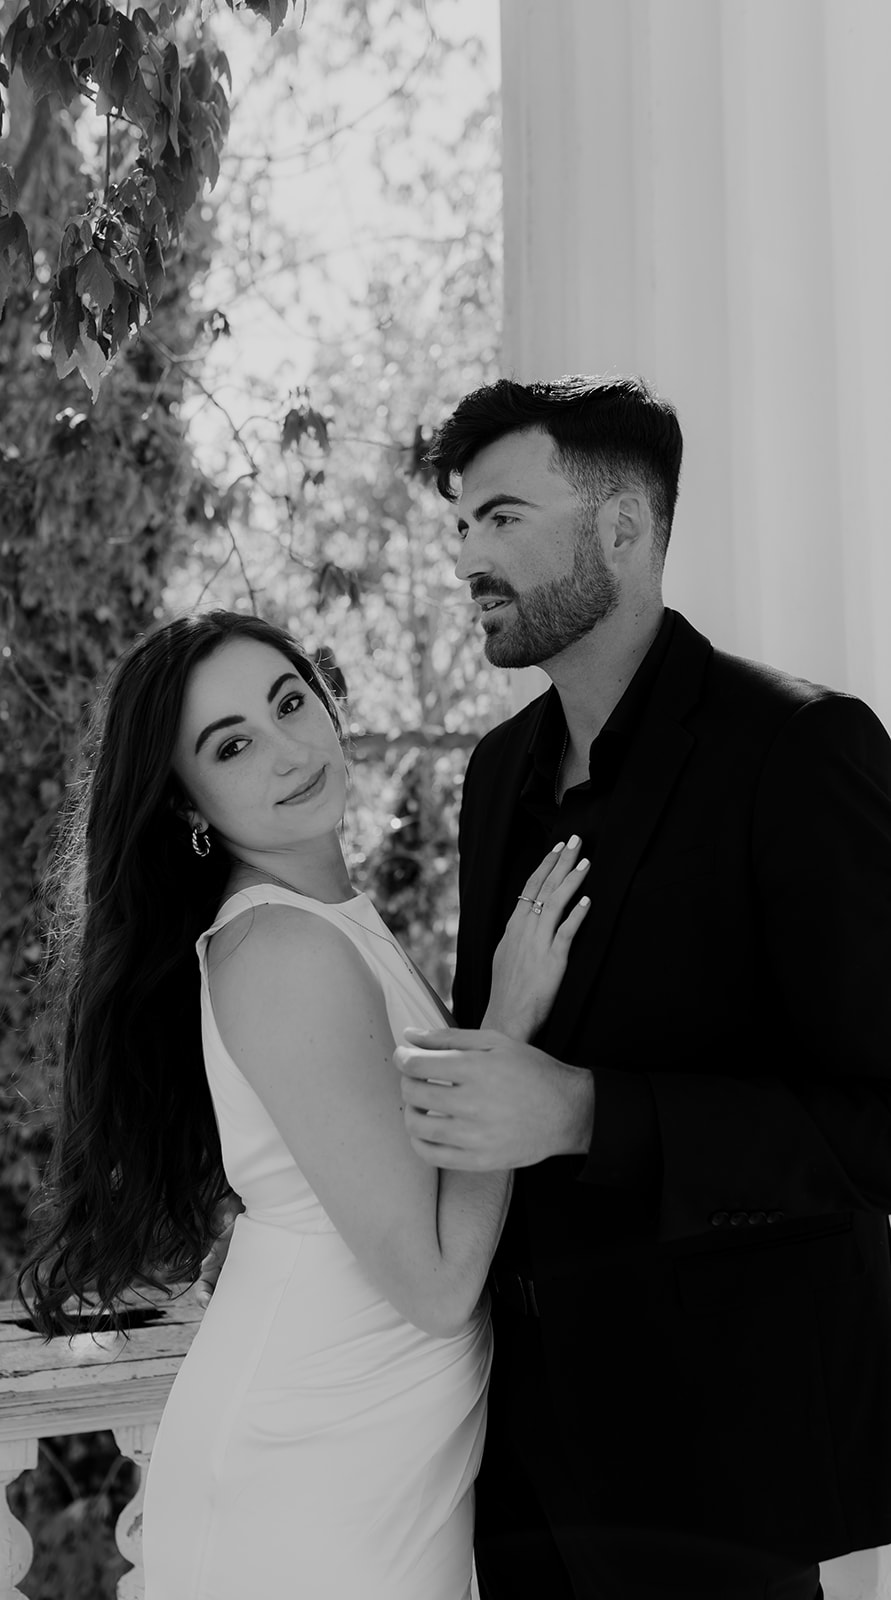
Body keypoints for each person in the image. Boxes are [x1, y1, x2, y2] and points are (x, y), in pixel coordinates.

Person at [394, 374, 891, 1600]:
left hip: (716, 1473)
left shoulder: (800, 749)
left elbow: (878, 1125)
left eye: (501, 516)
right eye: (460, 524)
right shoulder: (494, 772)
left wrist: (584, 1112)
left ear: (621, 530)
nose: (467, 554)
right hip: (513, 1468)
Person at [20, 609, 593, 1600]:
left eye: (290, 702)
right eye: (232, 744)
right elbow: (435, 1282)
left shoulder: (324, 923)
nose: (286, 750)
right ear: (185, 803)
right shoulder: (281, 949)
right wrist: (505, 1023)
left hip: (377, 1446)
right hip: (314, 1469)